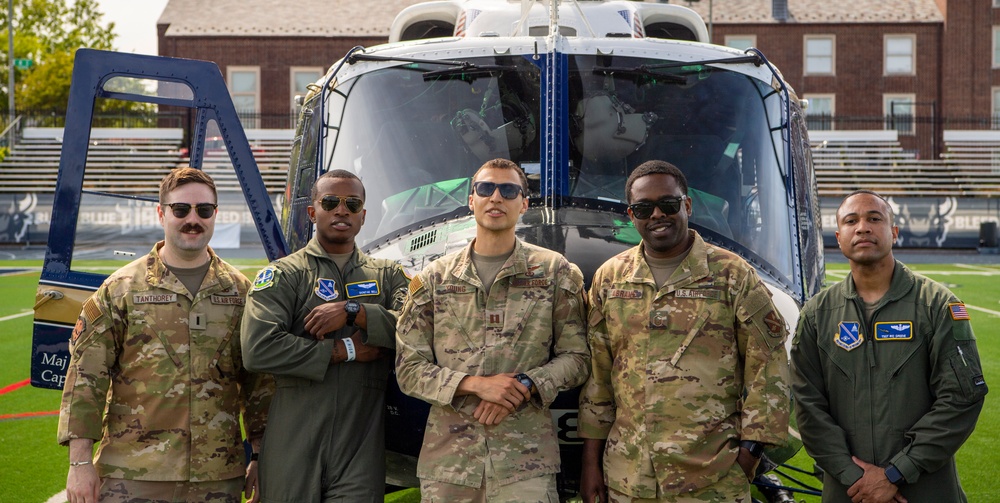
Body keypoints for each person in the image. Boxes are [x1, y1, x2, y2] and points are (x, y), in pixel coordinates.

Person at [578, 160, 790, 503]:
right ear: (632, 215)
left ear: (687, 205)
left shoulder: (732, 275)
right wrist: (591, 464)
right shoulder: (610, 278)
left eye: (669, 204)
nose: (657, 214)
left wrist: (749, 453)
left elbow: (768, 367)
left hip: (711, 477)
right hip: (629, 477)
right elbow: (598, 379)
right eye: (644, 208)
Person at [58, 167, 269, 503]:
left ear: (216, 214)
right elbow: (86, 378)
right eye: (180, 209)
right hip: (135, 475)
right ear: (161, 213)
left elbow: (258, 382)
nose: (192, 219)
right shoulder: (121, 289)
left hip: (217, 477)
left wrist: (260, 456)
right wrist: (80, 462)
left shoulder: (240, 292)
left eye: (204, 210)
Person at [395, 158, 590, 502]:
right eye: (485, 189)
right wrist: (477, 386)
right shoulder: (434, 278)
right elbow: (409, 369)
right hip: (450, 465)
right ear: (472, 200)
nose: (496, 197)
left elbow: (577, 358)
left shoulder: (554, 272)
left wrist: (525, 386)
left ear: (524, 204)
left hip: (524, 464)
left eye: (509, 190)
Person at [790, 189, 988, 503]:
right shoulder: (816, 315)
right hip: (849, 491)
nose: (863, 227)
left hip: (924, 488)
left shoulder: (936, 304)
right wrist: (856, 477)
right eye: (851, 221)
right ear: (839, 237)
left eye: (874, 219)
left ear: (893, 232)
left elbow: (962, 396)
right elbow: (807, 405)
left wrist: (898, 472)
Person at [240, 169, 409, 502]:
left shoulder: (389, 276)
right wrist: (344, 350)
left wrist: (356, 312)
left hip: (359, 449)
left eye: (352, 203)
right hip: (293, 442)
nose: (341, 210)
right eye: (330, 202)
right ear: (313, 212)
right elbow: (258, 348)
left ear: (363, 216)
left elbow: (419, 329)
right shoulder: (284, 275)